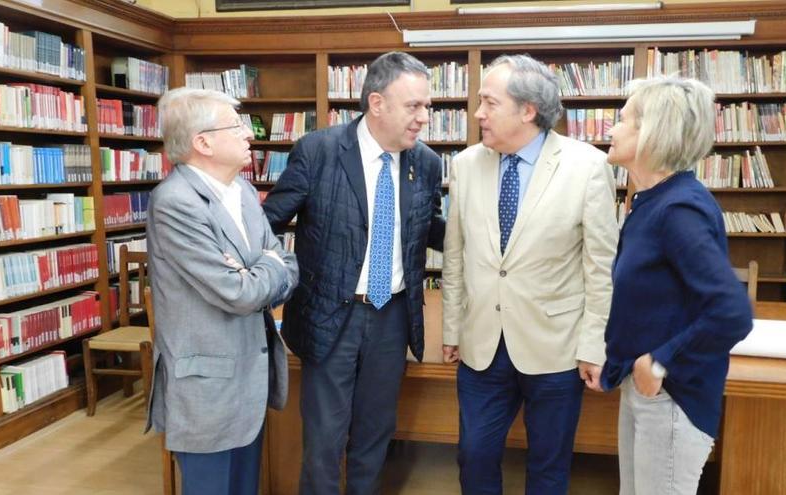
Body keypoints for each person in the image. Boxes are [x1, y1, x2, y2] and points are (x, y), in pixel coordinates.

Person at [262, 51, 445, 494]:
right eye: (414, 106)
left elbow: (435, 229)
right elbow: (268, 221)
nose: (424, 117)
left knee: (375, 432)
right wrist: (274, 275)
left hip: (393, 315)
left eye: (428, 106)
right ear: (377, 103)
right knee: (325, 438)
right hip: (330, 317)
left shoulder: (426, 162)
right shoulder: (319, 151)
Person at [441, 54, 618, 494]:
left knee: (548, 467)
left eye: (489, 103)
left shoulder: (586, 166)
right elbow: (455, 254)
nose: (478, 113)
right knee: (474, 457)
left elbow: (600, 267)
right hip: (482, 345)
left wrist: (593, 344)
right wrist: (452, 328)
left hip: (555, 347)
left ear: (527, 110)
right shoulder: (465, 165)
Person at [599, 76, 754, 494]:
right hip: (646, 389)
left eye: (624, 120)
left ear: (655, 132)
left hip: (672, 396)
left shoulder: (679, 209)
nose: (610, 129)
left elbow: (732, 312)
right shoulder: (649, 201)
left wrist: (660, 361)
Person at [145, 88, 298, 495]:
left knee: (245, 488)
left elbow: (289, 265)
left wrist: (258, 270)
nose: (248, 135)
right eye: (236, 126)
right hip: (206, 385)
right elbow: (238, 293)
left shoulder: (244, 192)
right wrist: (266, 267)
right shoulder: (175, 202)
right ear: (203, 142)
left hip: (251, 375)